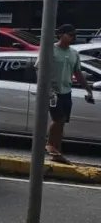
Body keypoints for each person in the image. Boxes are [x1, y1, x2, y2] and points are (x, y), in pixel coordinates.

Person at [43, 24, 94, 165]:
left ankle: (56, 153)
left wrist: (88, 89)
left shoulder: (74, 53)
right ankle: (49, 145)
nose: (73, 37)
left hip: (67, 92)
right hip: (53, 92)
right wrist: (47, 89)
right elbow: (39, 69)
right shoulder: (50, 50)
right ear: (60, 34)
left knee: (62, 123)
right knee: (58, 119)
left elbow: (77, 73)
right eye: (70, 34)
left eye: (74, 35)